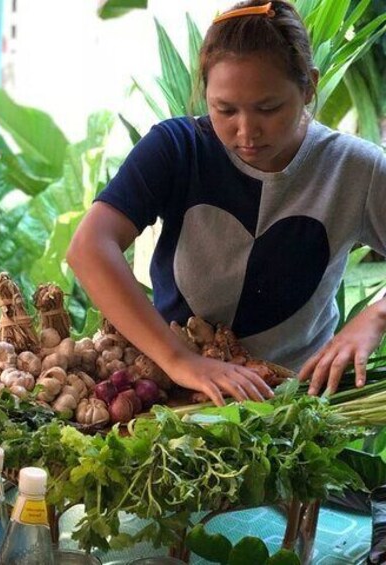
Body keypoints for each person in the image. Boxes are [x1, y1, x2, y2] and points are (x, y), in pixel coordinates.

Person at [67, 0, 386, 406]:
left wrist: (376, 316)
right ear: (204, 94)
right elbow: (89, 247)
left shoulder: (356, 169)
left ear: (309, 86)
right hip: (174, 396)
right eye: (225, 109)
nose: (246, 131)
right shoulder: (178, 148)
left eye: (268, 108)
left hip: (291, 404)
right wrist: (180, 360)